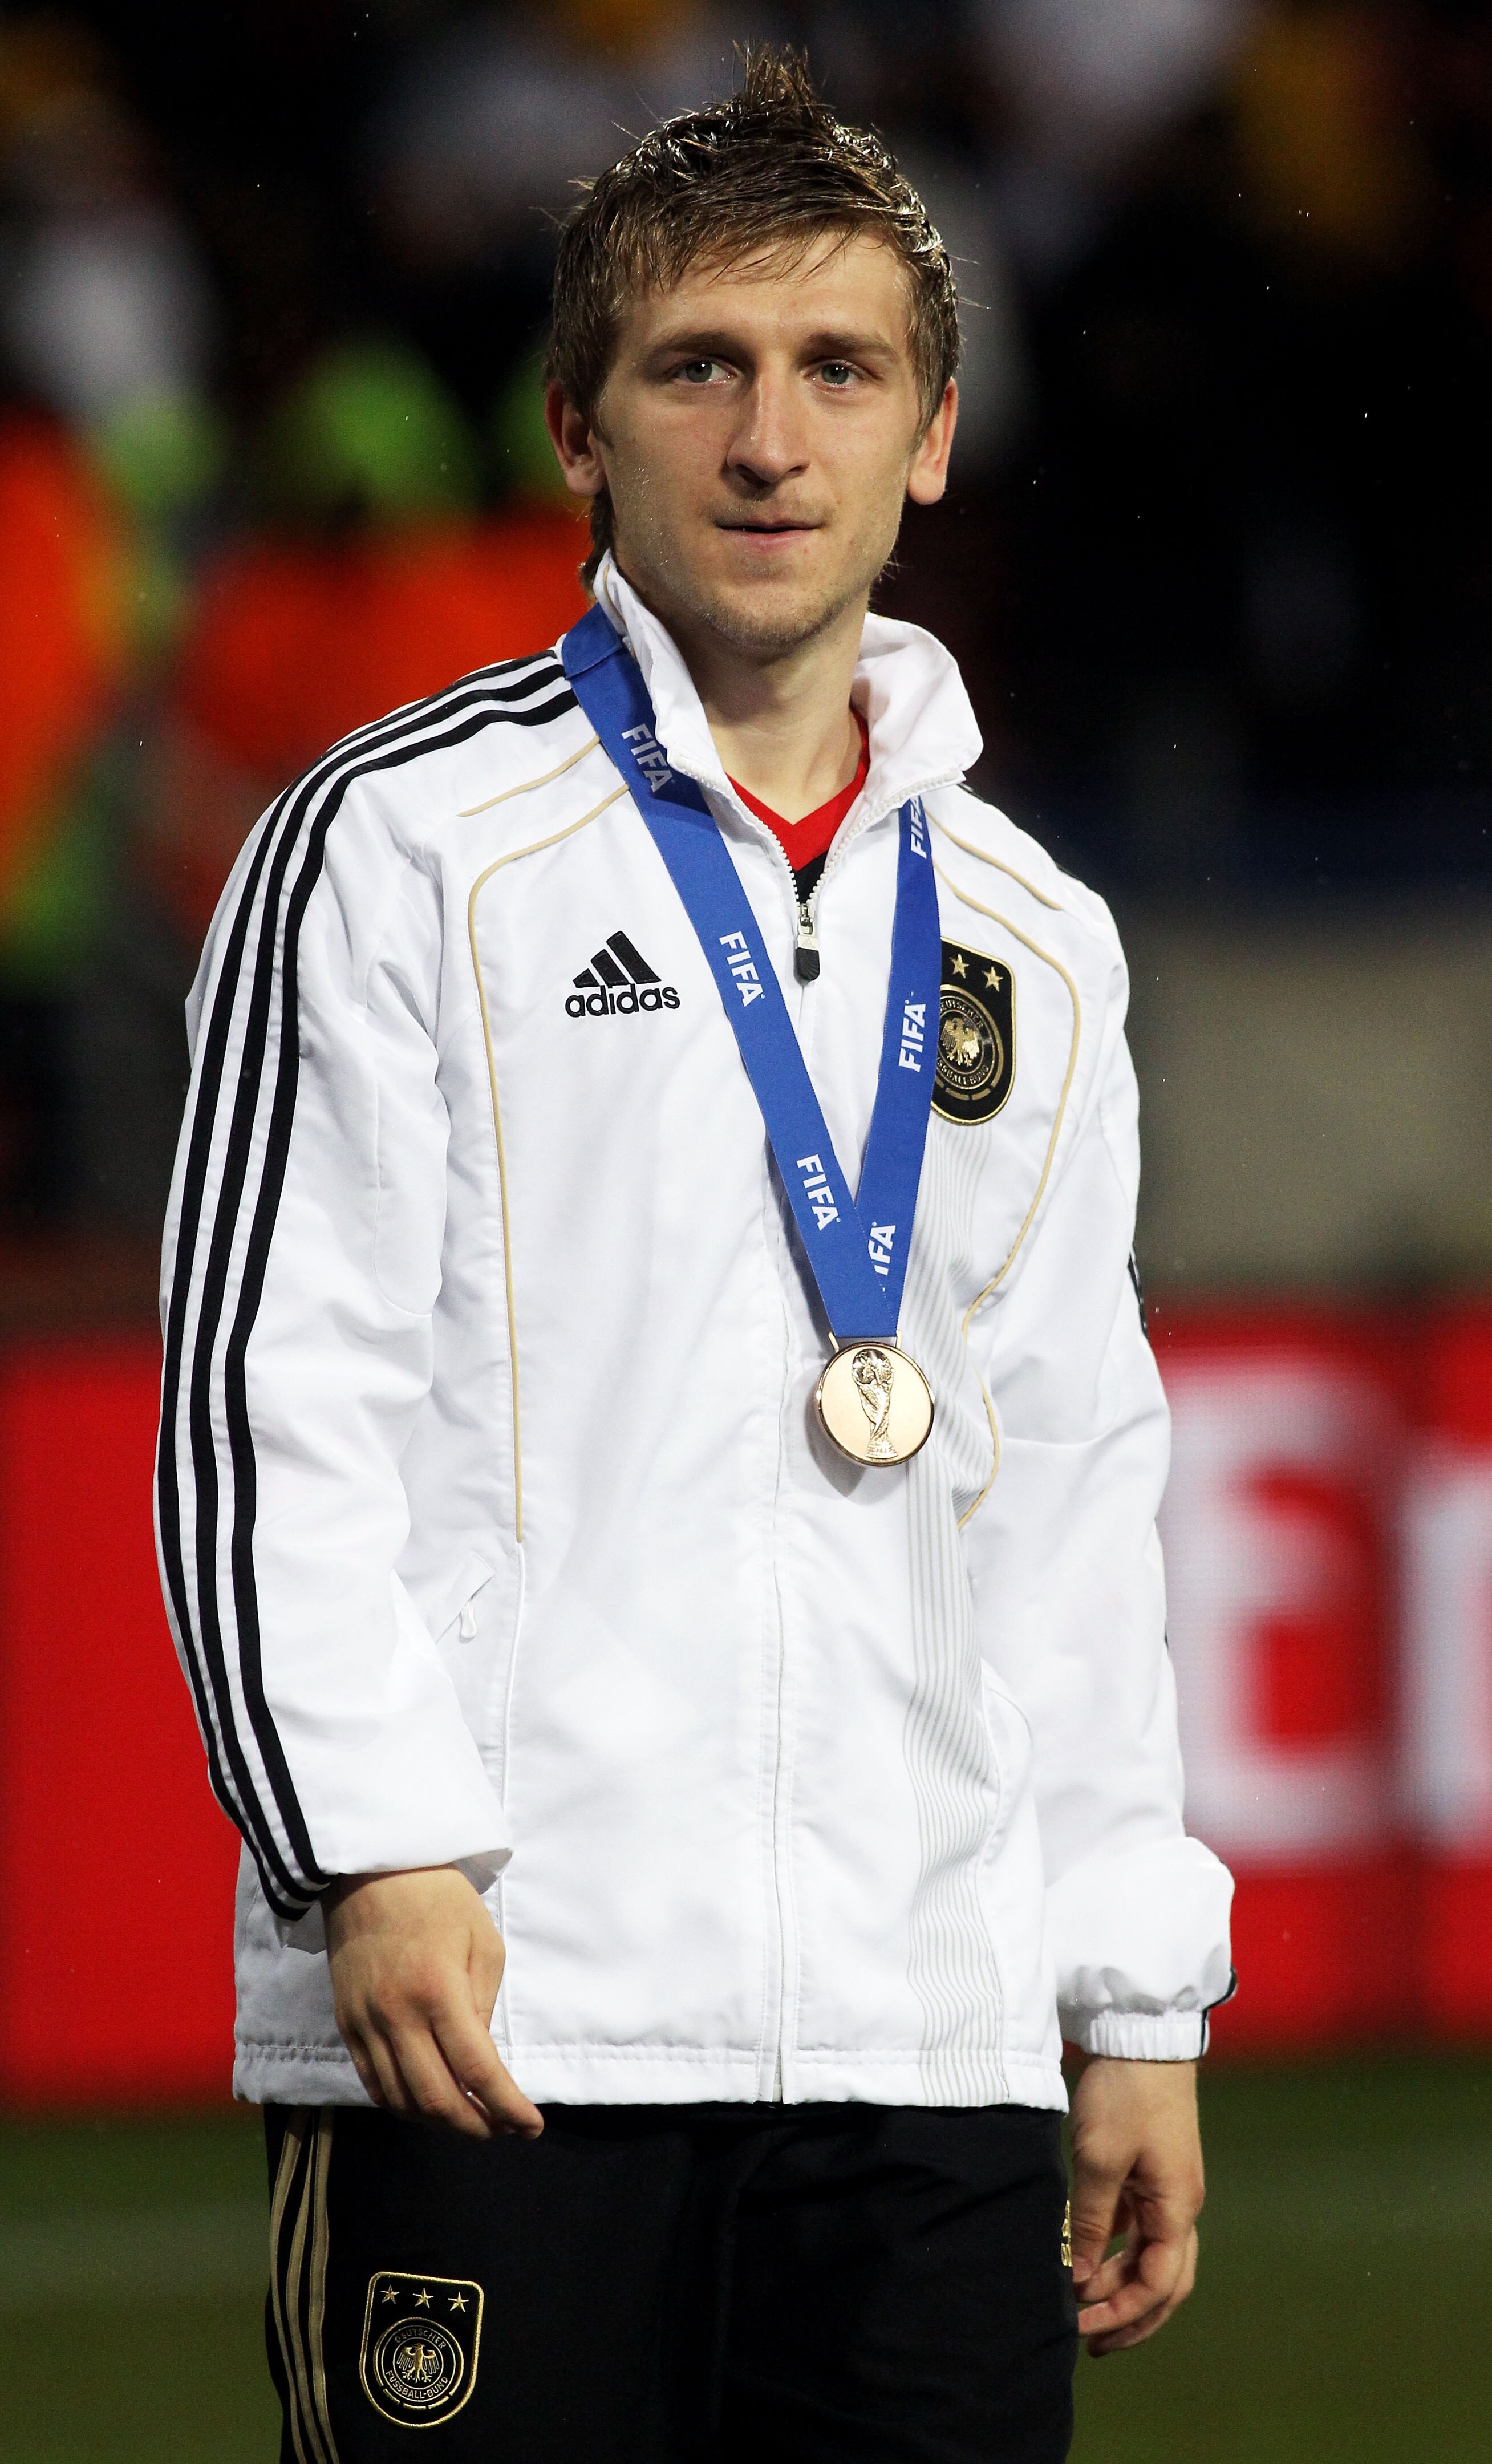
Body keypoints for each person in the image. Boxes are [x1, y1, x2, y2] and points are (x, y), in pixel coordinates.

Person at [156, 49, 1233, 2464]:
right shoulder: (406, 850)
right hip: (509, 2013)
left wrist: (1127, 1986)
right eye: (700, 369)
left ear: (933, 434)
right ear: (579, 432)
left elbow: (1071, 1487)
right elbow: (266, 1401)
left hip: (927, 2051)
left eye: (839, 370)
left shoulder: (1039, 942)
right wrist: (375, 1851)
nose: (772, 440)